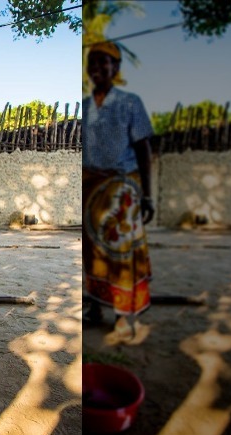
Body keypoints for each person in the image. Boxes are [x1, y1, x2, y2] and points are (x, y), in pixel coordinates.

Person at [82, 42, 154, 341]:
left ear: (116, 68)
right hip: (91, 190)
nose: (97, 67)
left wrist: (147, 195)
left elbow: (142, 149)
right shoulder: (86, 106)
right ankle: (96, 308)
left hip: (121, 188)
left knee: (120, 251)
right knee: (93, 254)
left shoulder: (129, 102)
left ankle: (124, 316)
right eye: (92, 62)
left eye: (104, 62)